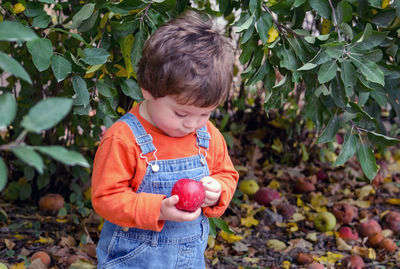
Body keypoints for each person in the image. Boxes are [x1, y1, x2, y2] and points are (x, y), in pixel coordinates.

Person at [91, 10, 239, 269]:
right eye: (181, 113)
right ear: (147, 90)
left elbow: (226, 173)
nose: (192, 123)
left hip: (189, 261)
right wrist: (157, 209)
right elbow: (106, 198)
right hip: (132, 262)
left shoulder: (207, 135)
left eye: (205, 113)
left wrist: (218, 190)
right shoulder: (124, 139)